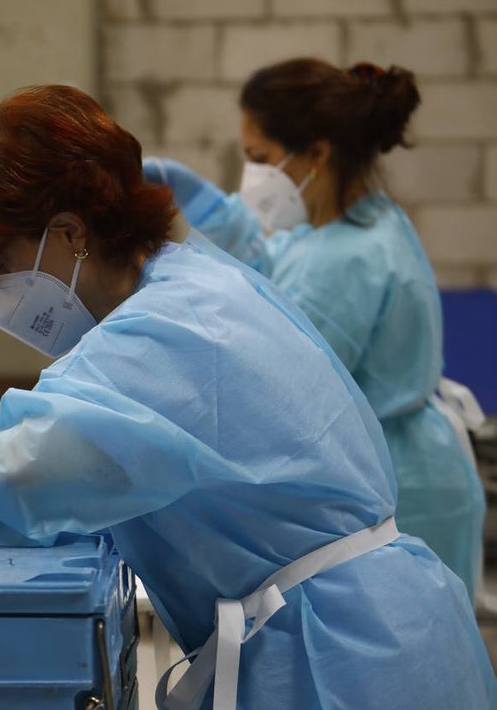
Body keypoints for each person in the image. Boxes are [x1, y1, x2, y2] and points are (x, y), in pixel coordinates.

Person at [0, 84, 495, 709]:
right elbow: (77, 453)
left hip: (342, 662)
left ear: (68, 232)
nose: (0, 291)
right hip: (380, 630)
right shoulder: (194, 282)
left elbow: (14, 480)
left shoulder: (157, 330)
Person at [141, 57, 486, 603]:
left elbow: (279, 383)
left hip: (403, 488)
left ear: (317, 153)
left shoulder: (346, 257)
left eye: (260, 159)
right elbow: (272, 259)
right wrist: (213, 210)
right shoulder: (352, 222)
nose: (252, 176)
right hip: (406, 463)